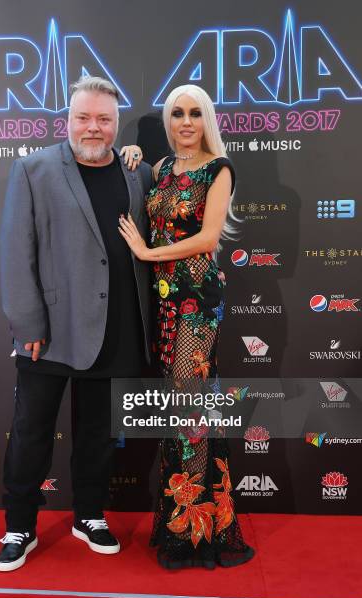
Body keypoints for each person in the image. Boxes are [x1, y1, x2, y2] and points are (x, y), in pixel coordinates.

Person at [0, 75, 151, 571]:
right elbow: (16, 252)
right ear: (68, 119)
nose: (93, 128)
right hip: (50, 331)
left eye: (104, 119)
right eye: (84, 117)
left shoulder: (138, 173)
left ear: (116, 125)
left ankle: (89, 513)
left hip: (117, 325)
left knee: (98, 435)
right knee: (31, 432)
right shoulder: (33, 169)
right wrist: (26, 324)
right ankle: (19, 524)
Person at [119, 84, 255, 569]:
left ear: (207, 120)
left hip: (197, 302)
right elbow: (136, 187)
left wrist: (150, 253)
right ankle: (193, 520)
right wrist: (130, 154)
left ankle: (193, 537)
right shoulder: (160, 170)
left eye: (196, 113)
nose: (186, 122)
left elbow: (209, 237)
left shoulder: (219, 170)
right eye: (177, 113)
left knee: (189, 411)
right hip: (163, 305)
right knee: (181, 411)